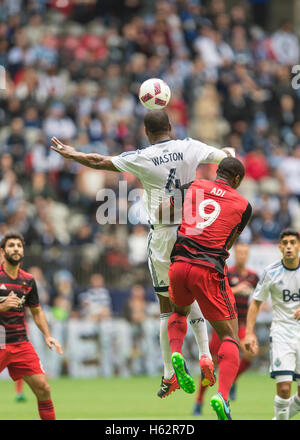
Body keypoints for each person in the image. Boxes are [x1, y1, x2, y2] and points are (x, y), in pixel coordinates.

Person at [51, 109, 235, 398]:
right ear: (171, 126)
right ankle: (205, 356)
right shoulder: (189, 146)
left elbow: (99, 161)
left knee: (167, 307)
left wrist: (72, 154)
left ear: (146, 132)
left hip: (162, 235)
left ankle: (167, 373)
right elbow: (224, 158)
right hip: (191, 233)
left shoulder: (142, 157)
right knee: (195, 293)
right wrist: (228, 151)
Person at [159, 157, 252, 420]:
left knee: (178, 312)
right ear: (236, 180)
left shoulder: (193, 185)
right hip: (208, 268)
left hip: (178, 262)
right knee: (229, 336)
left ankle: (176, 354)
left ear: (217, 172)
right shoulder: (243, 205)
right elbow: (229, 241)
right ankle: (222, 395)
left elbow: (164, 212)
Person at [0, 231, 63, 420]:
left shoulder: (28, 280)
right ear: (3, 251)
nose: (16, 249)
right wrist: (2, 306)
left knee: (43, 388)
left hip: (20, 344)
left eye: (19, 246)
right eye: (11, 245)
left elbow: (36, 311)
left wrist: (47, 335)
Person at [193, 241, 259, 416]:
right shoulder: (226, 273)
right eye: (239, 252)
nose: (242, 256)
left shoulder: (253, 277)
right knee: (212, 364)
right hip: (224, 325)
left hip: (242, 325)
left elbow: (259, 300)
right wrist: (236, 290)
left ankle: (232, 380)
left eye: (245, 253)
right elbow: (216, 292)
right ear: (234, 254)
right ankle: (199, 400)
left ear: (248, 254)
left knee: (252, 352)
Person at [244, 229, 300, 420]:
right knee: (284, 389)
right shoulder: (271, 272)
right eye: (285, 243)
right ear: (280, 247)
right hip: (282, 333)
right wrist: (249, 333)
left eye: (293, 242)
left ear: (299, 246)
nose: (289, 247)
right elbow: (256, 302)